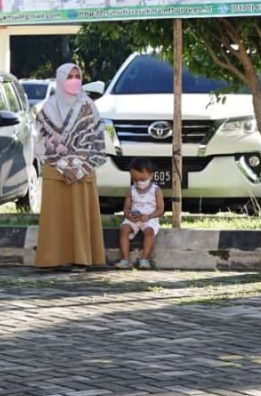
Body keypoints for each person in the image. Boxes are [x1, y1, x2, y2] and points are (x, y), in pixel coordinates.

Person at [34, 62, 107, 271]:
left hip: (82, 170)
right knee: (55, 218)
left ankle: (81, 258)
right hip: (56, 170)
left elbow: (97, 140)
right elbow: (41, 140)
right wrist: (62, 163)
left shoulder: (88, 106)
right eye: (70, 76)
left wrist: (77, 166)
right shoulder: (47, 107)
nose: (74, 80)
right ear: (60, 79)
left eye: (77, 76)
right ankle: (51, 259)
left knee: (79, 215)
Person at [115, 157, 164, 270]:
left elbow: (160, 209)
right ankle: (125, 259)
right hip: (134, 218)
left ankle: (144, 259)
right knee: (124, 229)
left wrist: (149, 216)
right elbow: (126, 208)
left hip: (150, 218)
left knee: (149, 231)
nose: (139, 183)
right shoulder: (131, 190)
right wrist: (129, 216)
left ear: (151, 175)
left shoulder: (156, 190)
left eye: (142, 179)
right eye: (135, 180)